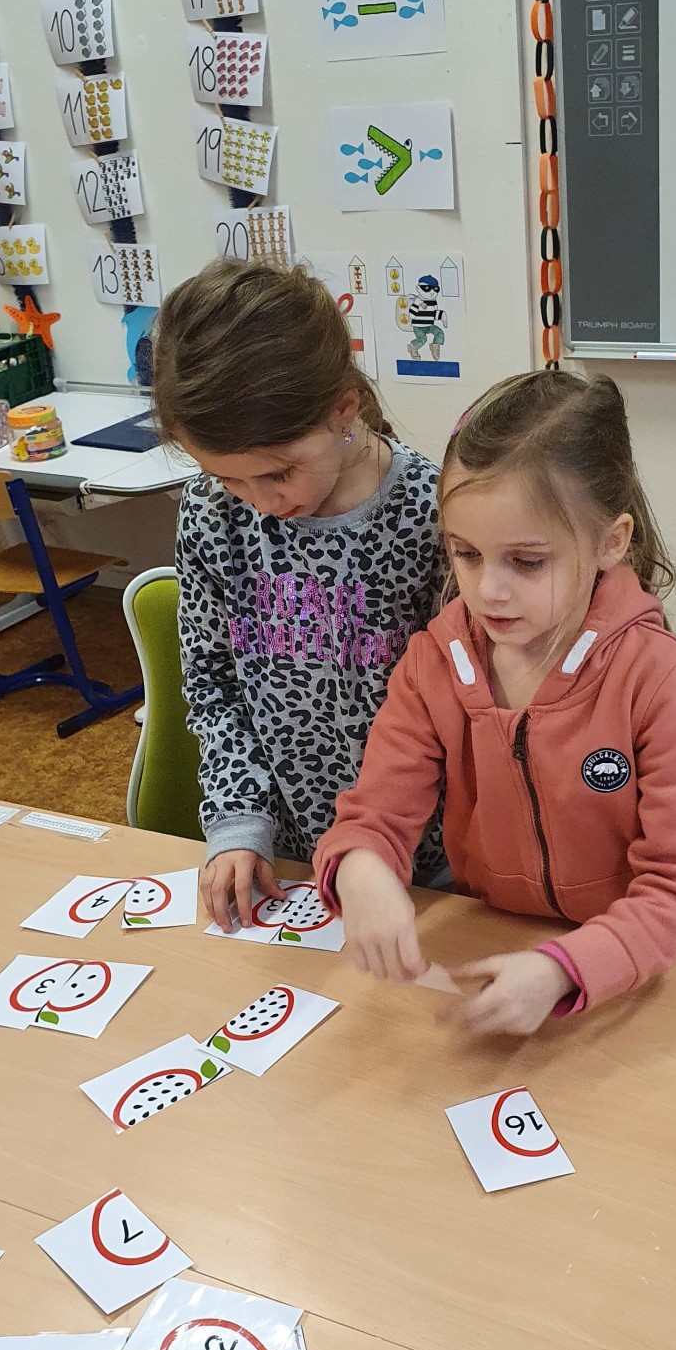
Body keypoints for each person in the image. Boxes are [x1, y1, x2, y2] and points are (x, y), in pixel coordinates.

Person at [314, 370, 676, 1034]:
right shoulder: (433, 663)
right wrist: (361, 867)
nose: (489, 590)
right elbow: (376, 813)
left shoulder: (658, 679)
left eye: (528, 561)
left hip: (648, 979)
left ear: (610, 542)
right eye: (466, 554)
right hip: (504, 946)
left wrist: (564, 969)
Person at [153, 258, 447, 931]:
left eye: (279, 473)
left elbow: (465, 714)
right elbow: (211, 679)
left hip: (424, 865)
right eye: (229, 478)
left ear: (343, 409)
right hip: (284, 863)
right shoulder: (212, 514)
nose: (259, 502)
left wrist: (395, 850)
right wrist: (238, 822)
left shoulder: (431, 516)